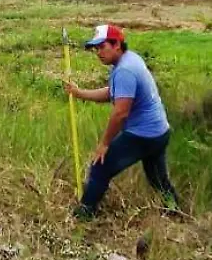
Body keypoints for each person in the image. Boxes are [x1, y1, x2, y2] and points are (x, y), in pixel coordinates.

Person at [64, 24, 180, 219]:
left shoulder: (124, 70)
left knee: (100, 167)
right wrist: (79, 93)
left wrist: (104, 144)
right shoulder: (130, 59)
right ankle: (175, 209)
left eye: (102, 47)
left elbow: (120, 113)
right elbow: (113, 93)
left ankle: (84, 213)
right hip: (160, 132)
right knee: (157, 178)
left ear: (117, 44)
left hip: (143, 135)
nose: (98, 52)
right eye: (96, 48)